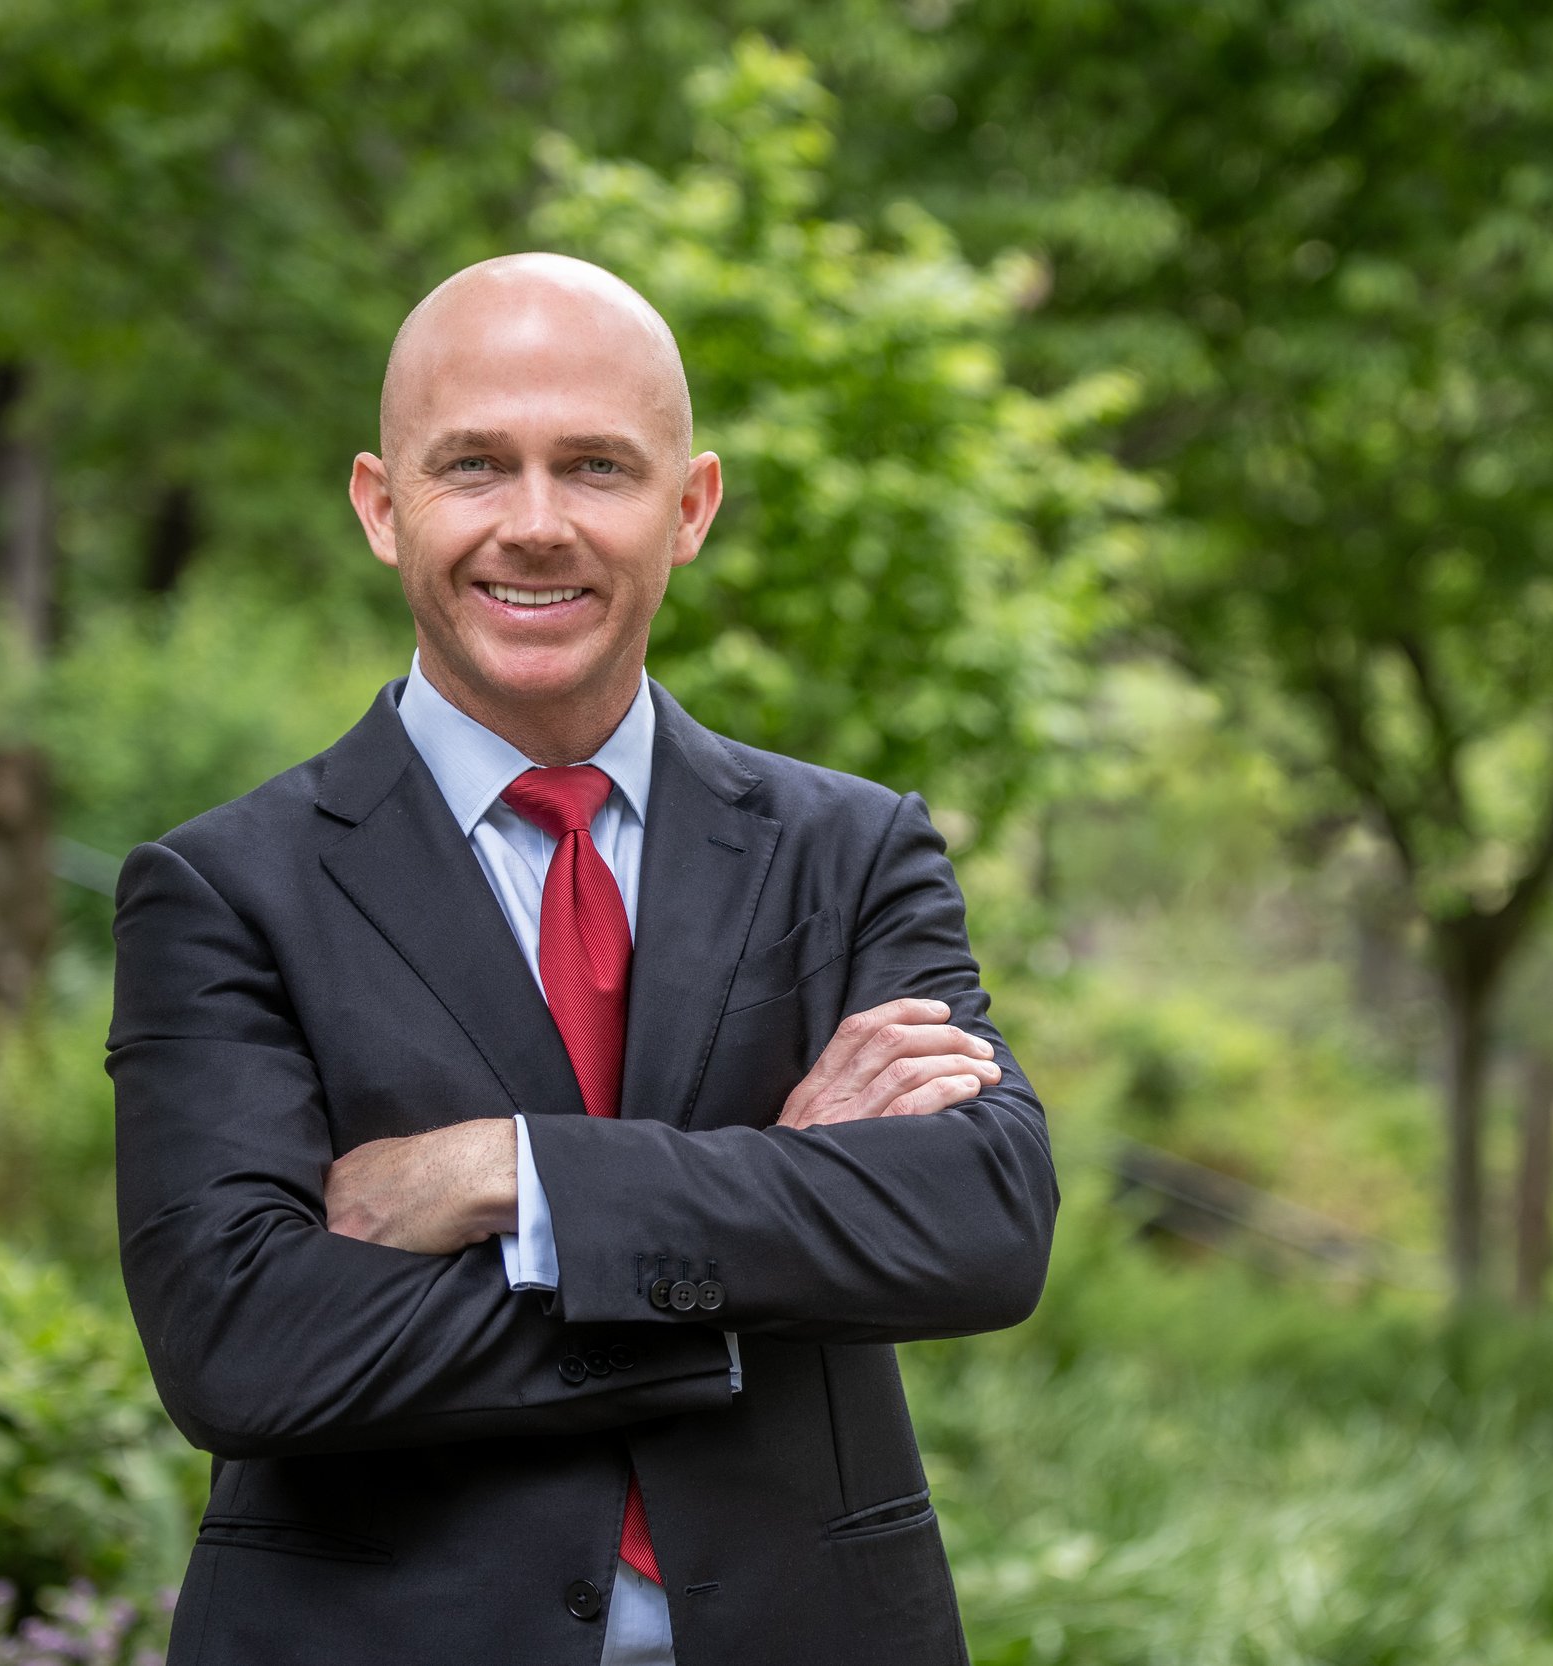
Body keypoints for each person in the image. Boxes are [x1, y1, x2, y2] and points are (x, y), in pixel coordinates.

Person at [107, 253, 1058, 1666]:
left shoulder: (851, 852)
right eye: (476, 465)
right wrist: (761, 1235)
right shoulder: (223, 889)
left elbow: (979, 1220)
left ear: (691, 509)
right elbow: (245, 1343)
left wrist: (511, 1172)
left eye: (598, 468)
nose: (534, 525)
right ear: (384, 505)